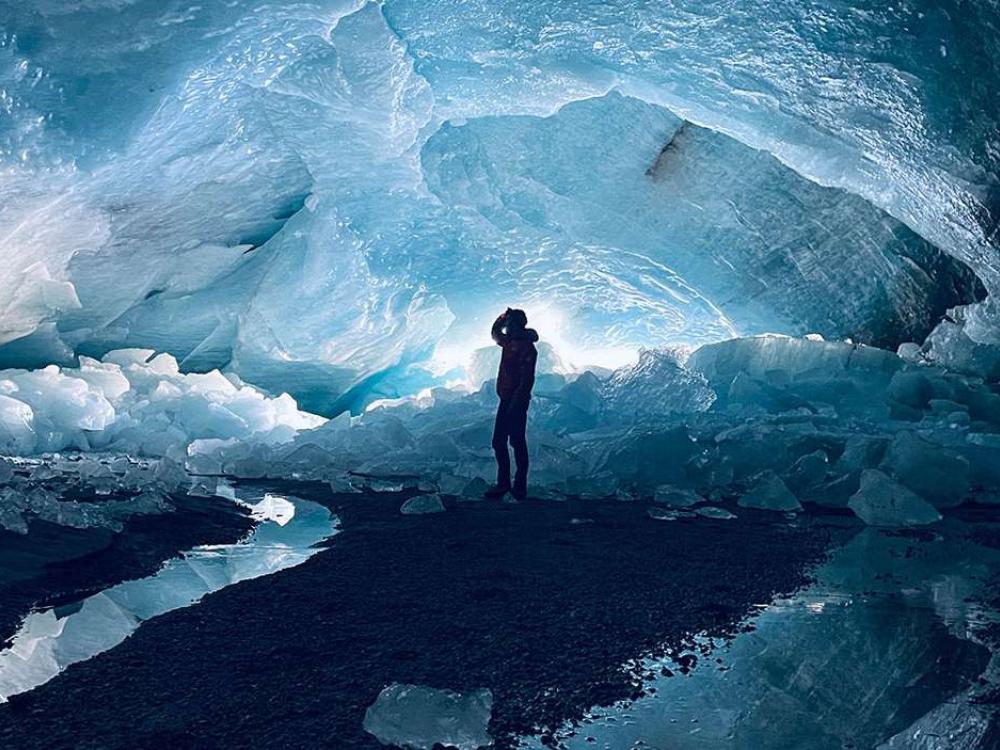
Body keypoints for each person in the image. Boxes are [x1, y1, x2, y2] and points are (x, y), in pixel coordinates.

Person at [485, 308, 538, 500]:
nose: (507, 328)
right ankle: (504, 483)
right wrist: (502, 317)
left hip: (517, 400)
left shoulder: (527, 348)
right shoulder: (509, 342)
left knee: (516, 441)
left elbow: (527, 380)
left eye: (510, 324)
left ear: (518, 325)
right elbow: (495, 333)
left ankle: (519, 486)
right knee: (499, 441)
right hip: (506, 399)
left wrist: (515, 402)